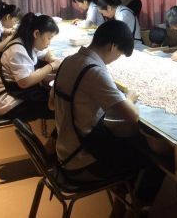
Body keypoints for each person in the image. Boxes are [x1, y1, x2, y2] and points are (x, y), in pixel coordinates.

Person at [53, 20, 165, 217]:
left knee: (131, 142)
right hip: (82, 161)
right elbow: (132, 115)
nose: (115, 59)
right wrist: (129, 98)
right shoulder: (94, 71)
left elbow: (51, 104)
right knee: (156, 160)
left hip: (64, 150)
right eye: (119, 54)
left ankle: (122, 202)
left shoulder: (69, 61)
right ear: (112, 46)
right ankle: (137, 209)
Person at [0, 13, 61, 122]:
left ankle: (58, 131)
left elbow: (45, 53)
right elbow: (25, 82)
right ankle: (57, 133)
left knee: (59, 101)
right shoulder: (17, 50)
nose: (49, 42)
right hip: (10, 103)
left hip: (19, 94)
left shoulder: (27, 42)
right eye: (49, 38)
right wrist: (51, 66)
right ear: (36, 33)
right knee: (63, 108)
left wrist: (52, 59)